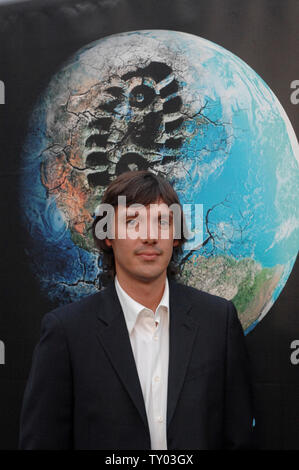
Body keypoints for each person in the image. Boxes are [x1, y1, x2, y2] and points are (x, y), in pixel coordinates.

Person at [19, 170, 254, 450]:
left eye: (162, 222)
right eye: (132, 222)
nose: (150, 237)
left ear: (176, 237)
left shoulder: (218, 321)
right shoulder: (66, 332)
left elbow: (239, 437)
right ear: (108, 236)